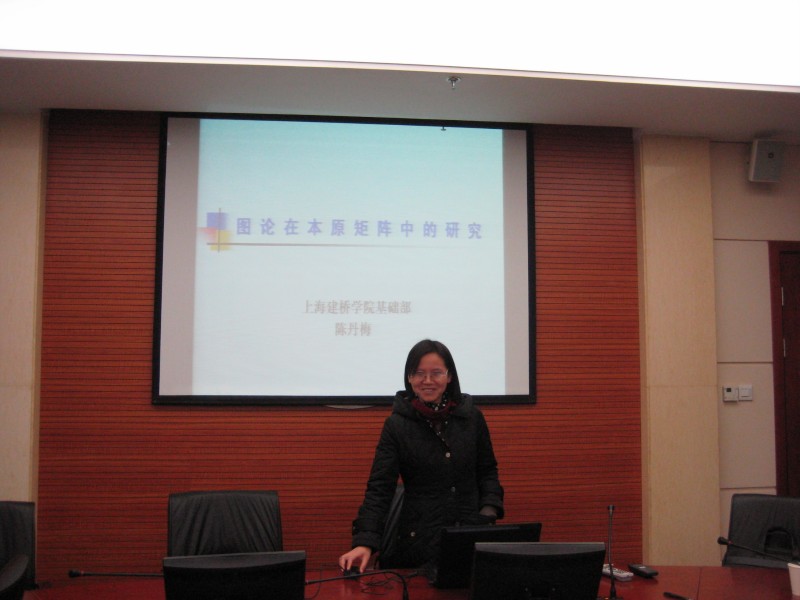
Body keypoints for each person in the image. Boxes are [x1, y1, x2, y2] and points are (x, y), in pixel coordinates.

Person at [339, 339, 504, 573]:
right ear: (409, 378)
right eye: (418, 373)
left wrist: (488, 511)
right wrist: (365, 541)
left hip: (470, 533)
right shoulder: (397, 425)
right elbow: (380, 487)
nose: (427, 381)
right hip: (419, 541)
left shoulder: (471, 417)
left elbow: (487, 471)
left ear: (449, 376)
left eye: (436, 373)